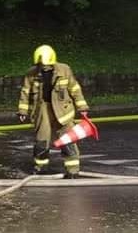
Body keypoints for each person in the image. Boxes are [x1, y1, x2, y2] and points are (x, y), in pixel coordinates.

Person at [17, 45, 89, 178]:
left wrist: (82, 108)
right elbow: (25, 92)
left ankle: (72, 170)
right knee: (42, 141)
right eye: (41, 65)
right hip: (41, 110)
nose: (44, 67)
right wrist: (23, 111)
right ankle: (40, 168)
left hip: (63, 110)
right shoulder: (31, 73)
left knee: (67, 140)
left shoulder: (64, 70)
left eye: (47, 65)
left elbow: (75, 89)